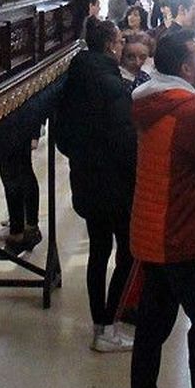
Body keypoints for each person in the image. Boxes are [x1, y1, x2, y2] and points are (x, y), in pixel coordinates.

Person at [129, 29, 195, 388]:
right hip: (185, 236)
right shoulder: (191, 114)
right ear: (186, 67)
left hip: (154, 232)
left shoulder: (155, 102)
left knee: (152, 328)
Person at [54, 17, 138, 352]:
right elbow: (125, 140)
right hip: (115, 185)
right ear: (109, 45)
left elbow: (63, 136)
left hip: (86, 179)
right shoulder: (112, 85)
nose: (122, 46)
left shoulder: (75, 79)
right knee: (128, 253)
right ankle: (109, 324)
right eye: (119, 41)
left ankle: (98, 325)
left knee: (99, 252)